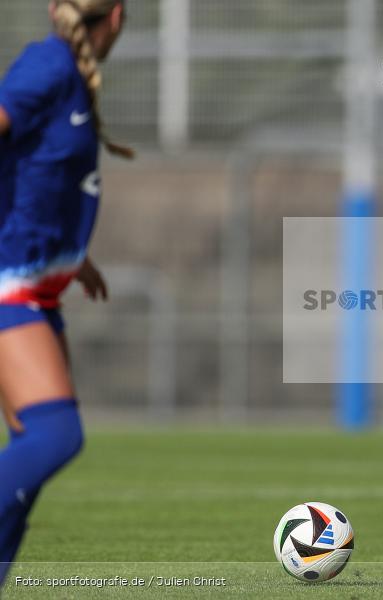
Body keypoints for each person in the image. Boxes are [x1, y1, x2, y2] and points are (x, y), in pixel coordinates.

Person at [0, 0, 130, 585]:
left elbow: (34, 174)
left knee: (27, 466)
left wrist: (74, 257)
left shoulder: (67, 75)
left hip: (35, 285)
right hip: (8, 284)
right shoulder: (48, 66)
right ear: (118, 17)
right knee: (57, 436)